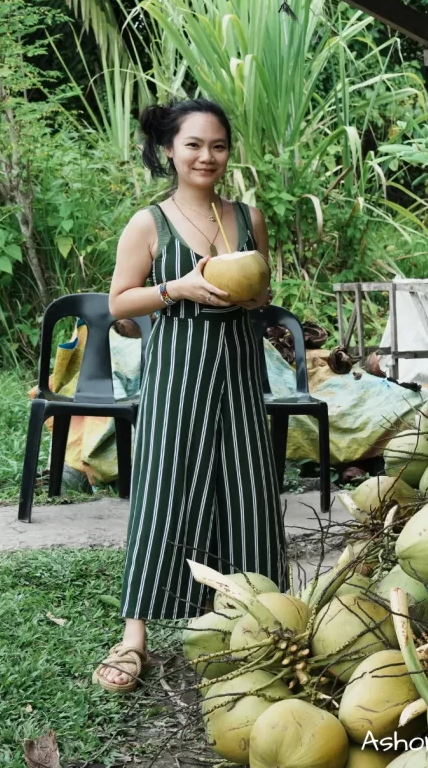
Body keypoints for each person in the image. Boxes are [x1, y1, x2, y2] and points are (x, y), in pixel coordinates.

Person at [95, 99, 287, 693]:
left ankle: (259, 622)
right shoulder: (148, 222)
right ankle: (134, 638)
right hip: (177, 375)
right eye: (194, 145)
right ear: (171, 151)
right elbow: (119, 303)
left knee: (248, 494)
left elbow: (260, 296)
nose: (207, 156)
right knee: (164, 493)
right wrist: (177, 287)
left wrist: (248, 295)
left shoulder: (247, 217)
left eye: (219, 146)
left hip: (238, 374)